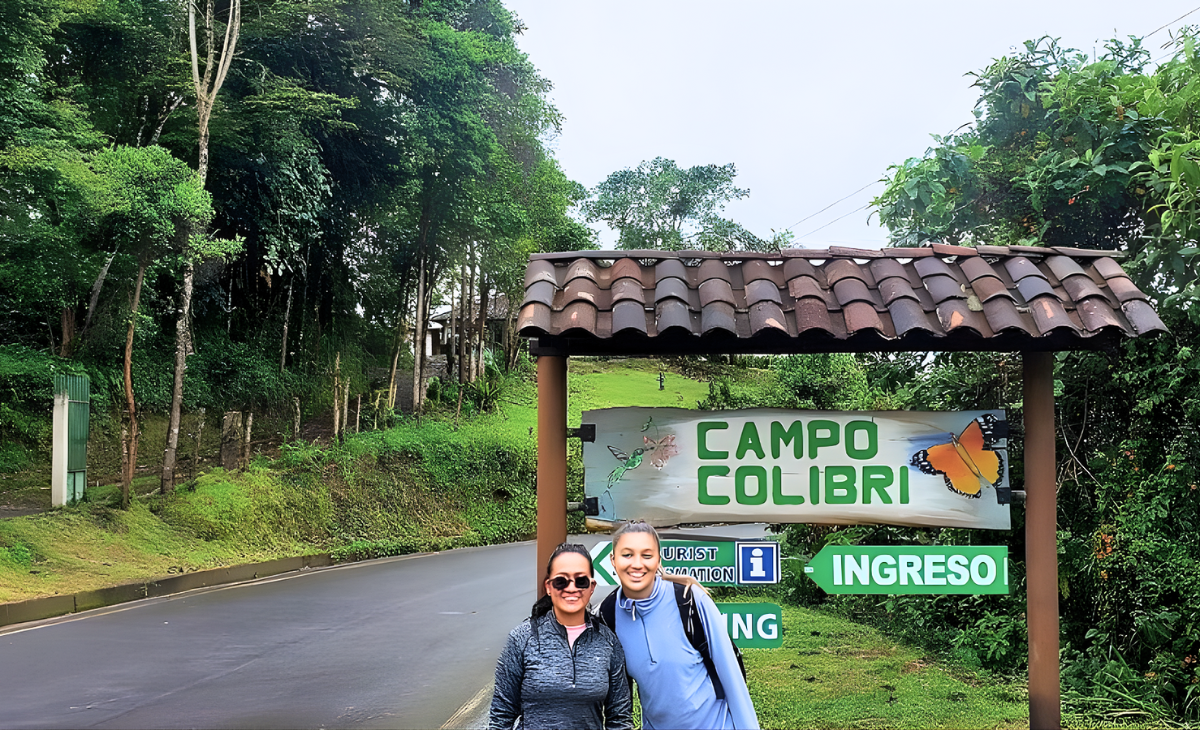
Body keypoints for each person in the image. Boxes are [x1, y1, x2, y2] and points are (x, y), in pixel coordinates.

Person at [599, 521, 759, 730]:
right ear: (613, 560)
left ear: (658, 560)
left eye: (647, 555)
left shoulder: (690, 600)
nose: (637, 564)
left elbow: (733, 680)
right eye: (627, 555)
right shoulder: (608, 614)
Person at [489, 543, 633, 730]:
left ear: (592, 587)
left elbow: (619, 718)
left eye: (581, 581)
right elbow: (501, 716)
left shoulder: (608, 642)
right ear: (549, 587)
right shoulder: (522, 639)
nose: (571, 588)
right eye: (561, 581)